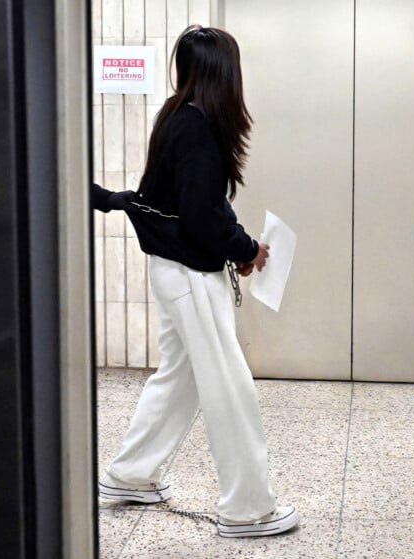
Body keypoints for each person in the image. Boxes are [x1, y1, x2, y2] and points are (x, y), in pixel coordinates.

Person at [92, 25, 300, 538]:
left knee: (180, 378)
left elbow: (197, 205)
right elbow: (202, 216)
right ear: (224, 73)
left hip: (171, 268)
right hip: (188, 273)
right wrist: (246, 248)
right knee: (229, 387)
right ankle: (248, 508)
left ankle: (128, 475)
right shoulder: (201, 128)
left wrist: (239, 243)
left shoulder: (176, 116)